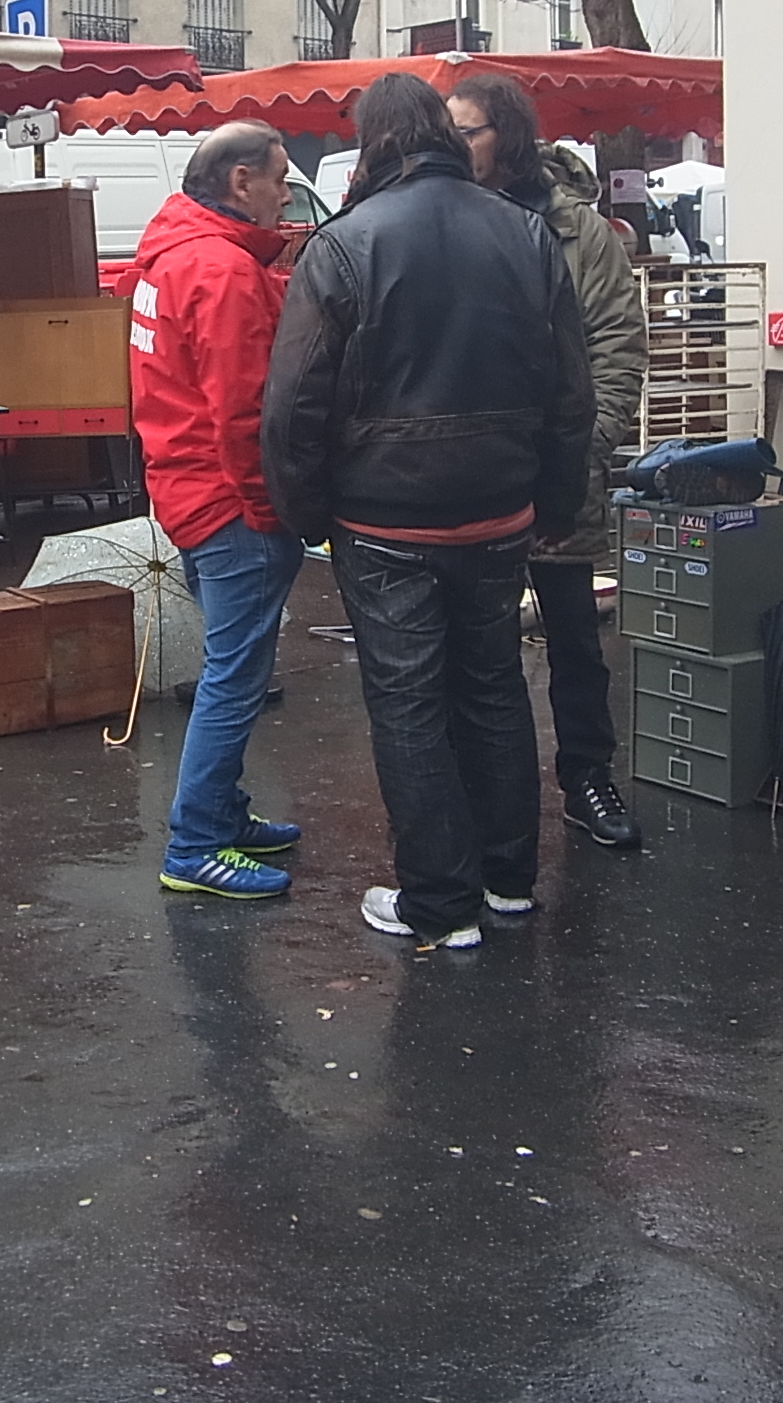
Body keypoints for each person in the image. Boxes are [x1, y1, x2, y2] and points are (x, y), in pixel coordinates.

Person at [264, 74, 592, 948]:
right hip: (500, 506)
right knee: (493, 687)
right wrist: (556, 498)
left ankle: (440, 905)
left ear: (373, 141)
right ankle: (509, 882)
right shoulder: (526, 232)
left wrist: (306, 512)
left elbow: (293, 404)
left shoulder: (343, 244)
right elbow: (571, 387)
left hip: (386, 516)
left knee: (408, 701)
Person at [446, 76, 649, 849]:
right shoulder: (446, 217)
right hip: (475, 474)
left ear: (507, 135)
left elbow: (618, 346)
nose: (456, 145)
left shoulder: (578, 231)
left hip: (561, 470)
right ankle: (488, 793)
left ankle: (587, 778)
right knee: (479, 642)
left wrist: (584, 450)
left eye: (469, 131)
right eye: (450, 131)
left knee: (574, 637)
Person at [129, 119, 306, 901]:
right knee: (235, 680)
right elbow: (244, 412)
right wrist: (273, 509)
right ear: (242, 182)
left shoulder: (174, 257)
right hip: (232, 505)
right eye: (279, 179)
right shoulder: (220, 269)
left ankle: (222, 814)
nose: (284, 195)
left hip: (187, 492)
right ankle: (196, 843)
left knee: (228, 669)